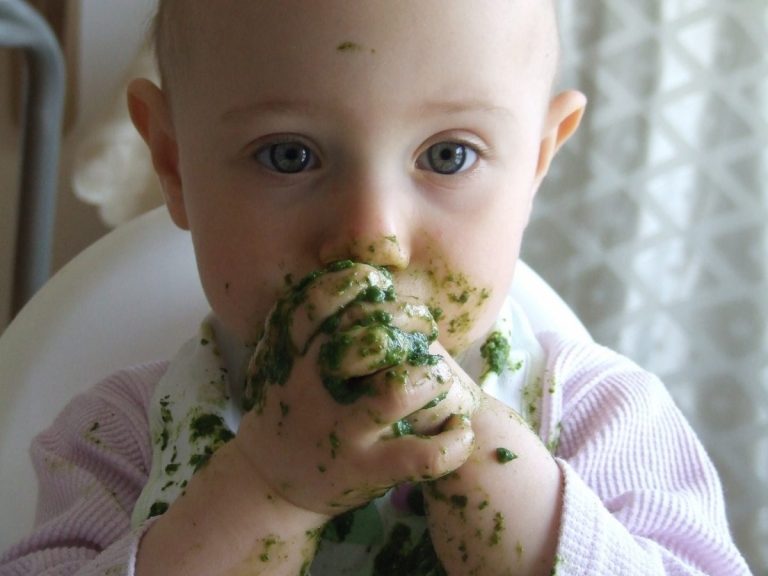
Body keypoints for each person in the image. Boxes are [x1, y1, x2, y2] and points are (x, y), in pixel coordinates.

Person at [0, 1, 753, 575]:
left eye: (450, 154)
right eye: (290, 155)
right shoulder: (112, 443)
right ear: (172, 162)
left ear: (535, 166)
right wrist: (265, 489)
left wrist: (502, 487)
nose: (371, 236)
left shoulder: (604, 421)